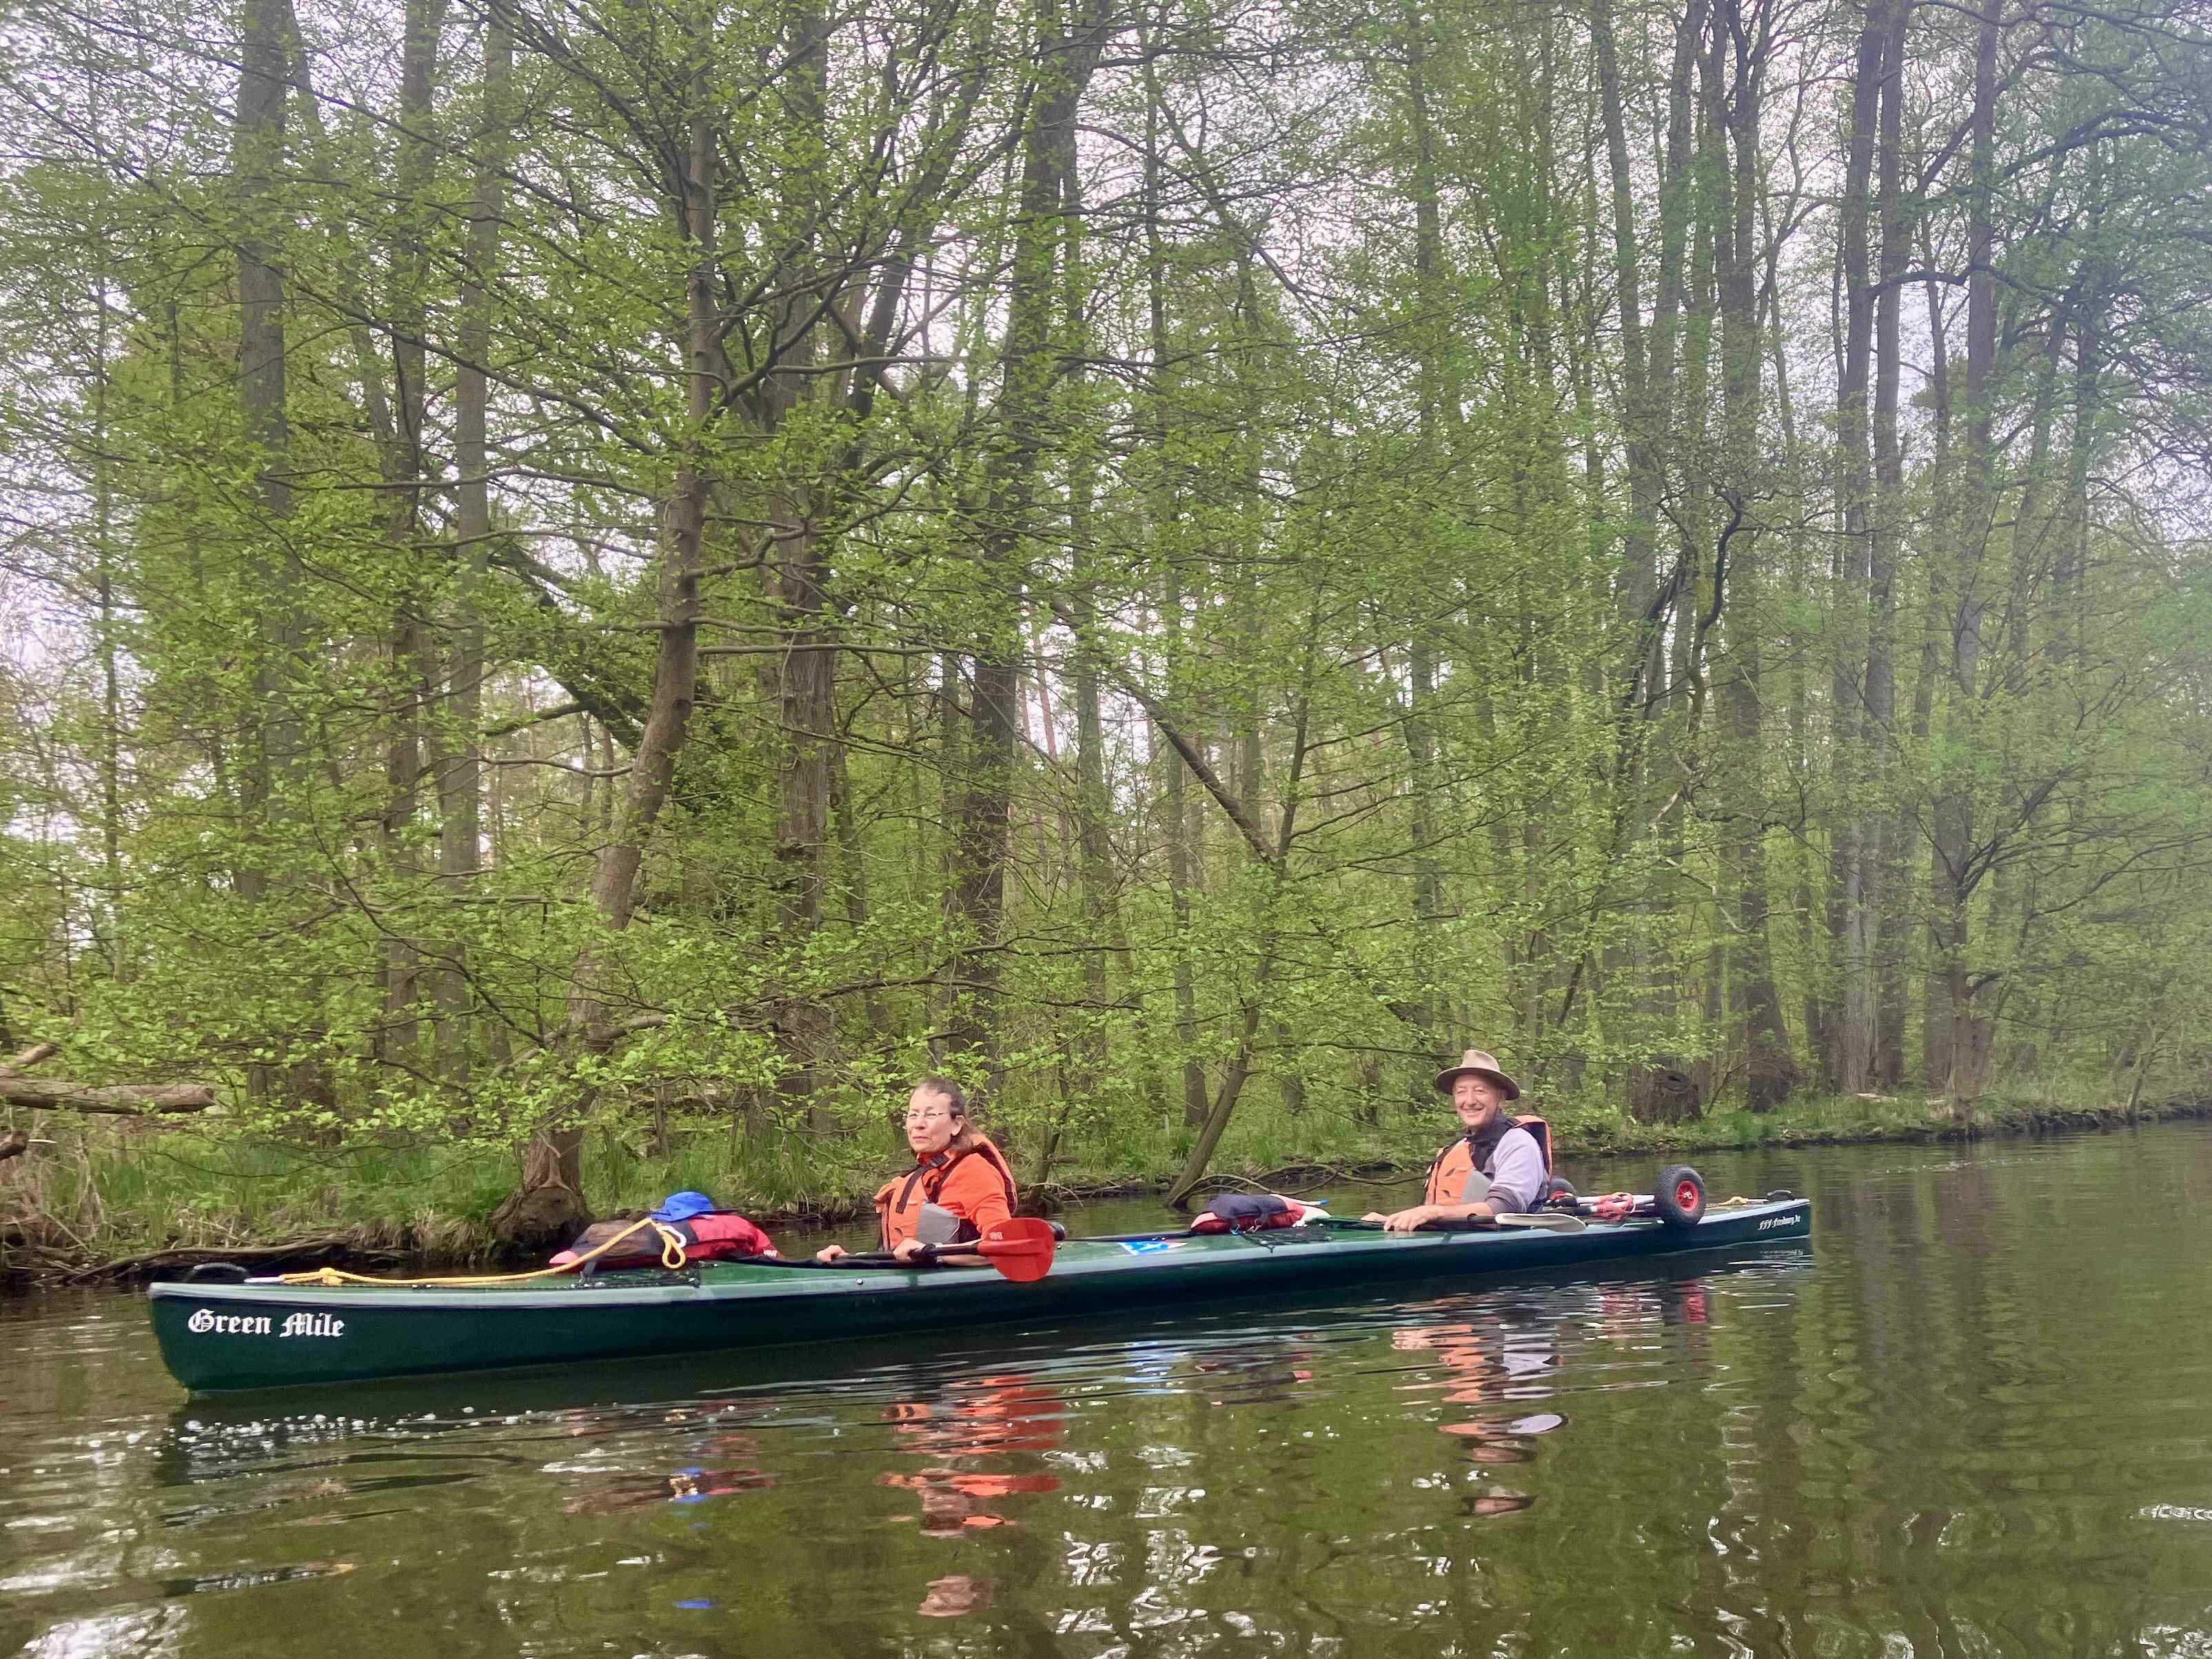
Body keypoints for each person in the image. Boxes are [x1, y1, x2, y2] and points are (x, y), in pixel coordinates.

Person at [815, 1078, 1017, 1265]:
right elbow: (897, 1256)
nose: (918, 1124)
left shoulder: (974, 1170)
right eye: (913, 1115)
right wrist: (848, 1260)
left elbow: (1003, 1245)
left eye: (931, 1115)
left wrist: (933, 1252)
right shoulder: (921, 1175)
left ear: (957, 1125)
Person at [1367, 1048, 1546, 1232]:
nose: (1470, 1101)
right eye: (1461, 1092)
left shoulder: (1518, 1143)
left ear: (1500, 1098)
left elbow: (1504, 1210)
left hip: (1501, 1244)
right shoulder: (1455, 1149)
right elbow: (1428, 1214)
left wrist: (1435, 1212)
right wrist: (1391, 1221)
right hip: (1452, 1238)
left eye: (1480, 1091)